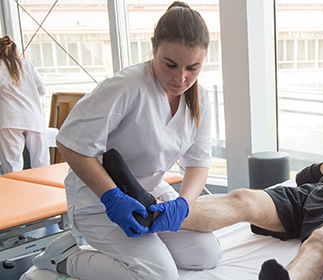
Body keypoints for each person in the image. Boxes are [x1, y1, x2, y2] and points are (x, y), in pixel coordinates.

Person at [32, 2, 221, 280]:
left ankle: (151, 247)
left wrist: (183, 204)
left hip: (150, 196)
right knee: (159, 276)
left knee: (206, 255)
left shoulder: (200, 99)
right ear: (153, 47)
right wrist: (112, 198)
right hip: (98, 202)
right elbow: (70, 144)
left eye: (193, 68)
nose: (181, 78)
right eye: (170, 64)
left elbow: (199, 164)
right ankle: (65, 258)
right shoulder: (127, 86)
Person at [180, 140, 323, 280]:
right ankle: (154, 215)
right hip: (310, 193)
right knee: (243, 198)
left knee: (321, 239)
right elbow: (301, 178)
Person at [0, 35, 50, 174]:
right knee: (41, 163)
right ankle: (44, 192)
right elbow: (42, 90)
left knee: (12, 165)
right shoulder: (27, 65)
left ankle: (13, 194)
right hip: (33, 117)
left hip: (9, 118)